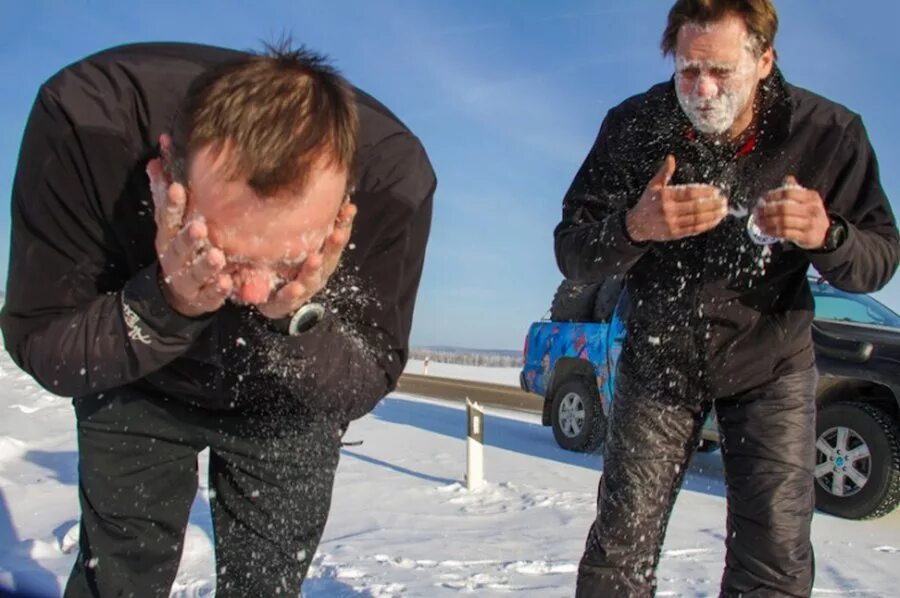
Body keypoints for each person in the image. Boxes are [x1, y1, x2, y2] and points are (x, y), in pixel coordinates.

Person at [1, 41, 435, 597]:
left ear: (342, 207)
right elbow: (44, 341)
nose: (252, 291)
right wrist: (165, 301)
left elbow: (365, 377)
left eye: (284, 262)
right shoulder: (86, 122)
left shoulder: (393, 182)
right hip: (137, 377)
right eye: (224, 255)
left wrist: (295, 315)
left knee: (265, 587)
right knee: (117, 576)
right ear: (163, 174)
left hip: (285, 399)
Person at [554, 1, 899, 596]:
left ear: (765, 60)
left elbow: (879, 259)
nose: (702, 90)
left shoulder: (829, 133)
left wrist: (828, 235)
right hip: (659, 361)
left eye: (721, 72)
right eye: (688, 71)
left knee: (774, 561)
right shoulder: (633, 126)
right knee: (618, 554)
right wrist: (636, 227)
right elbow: (572, 250)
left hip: (771, 367)